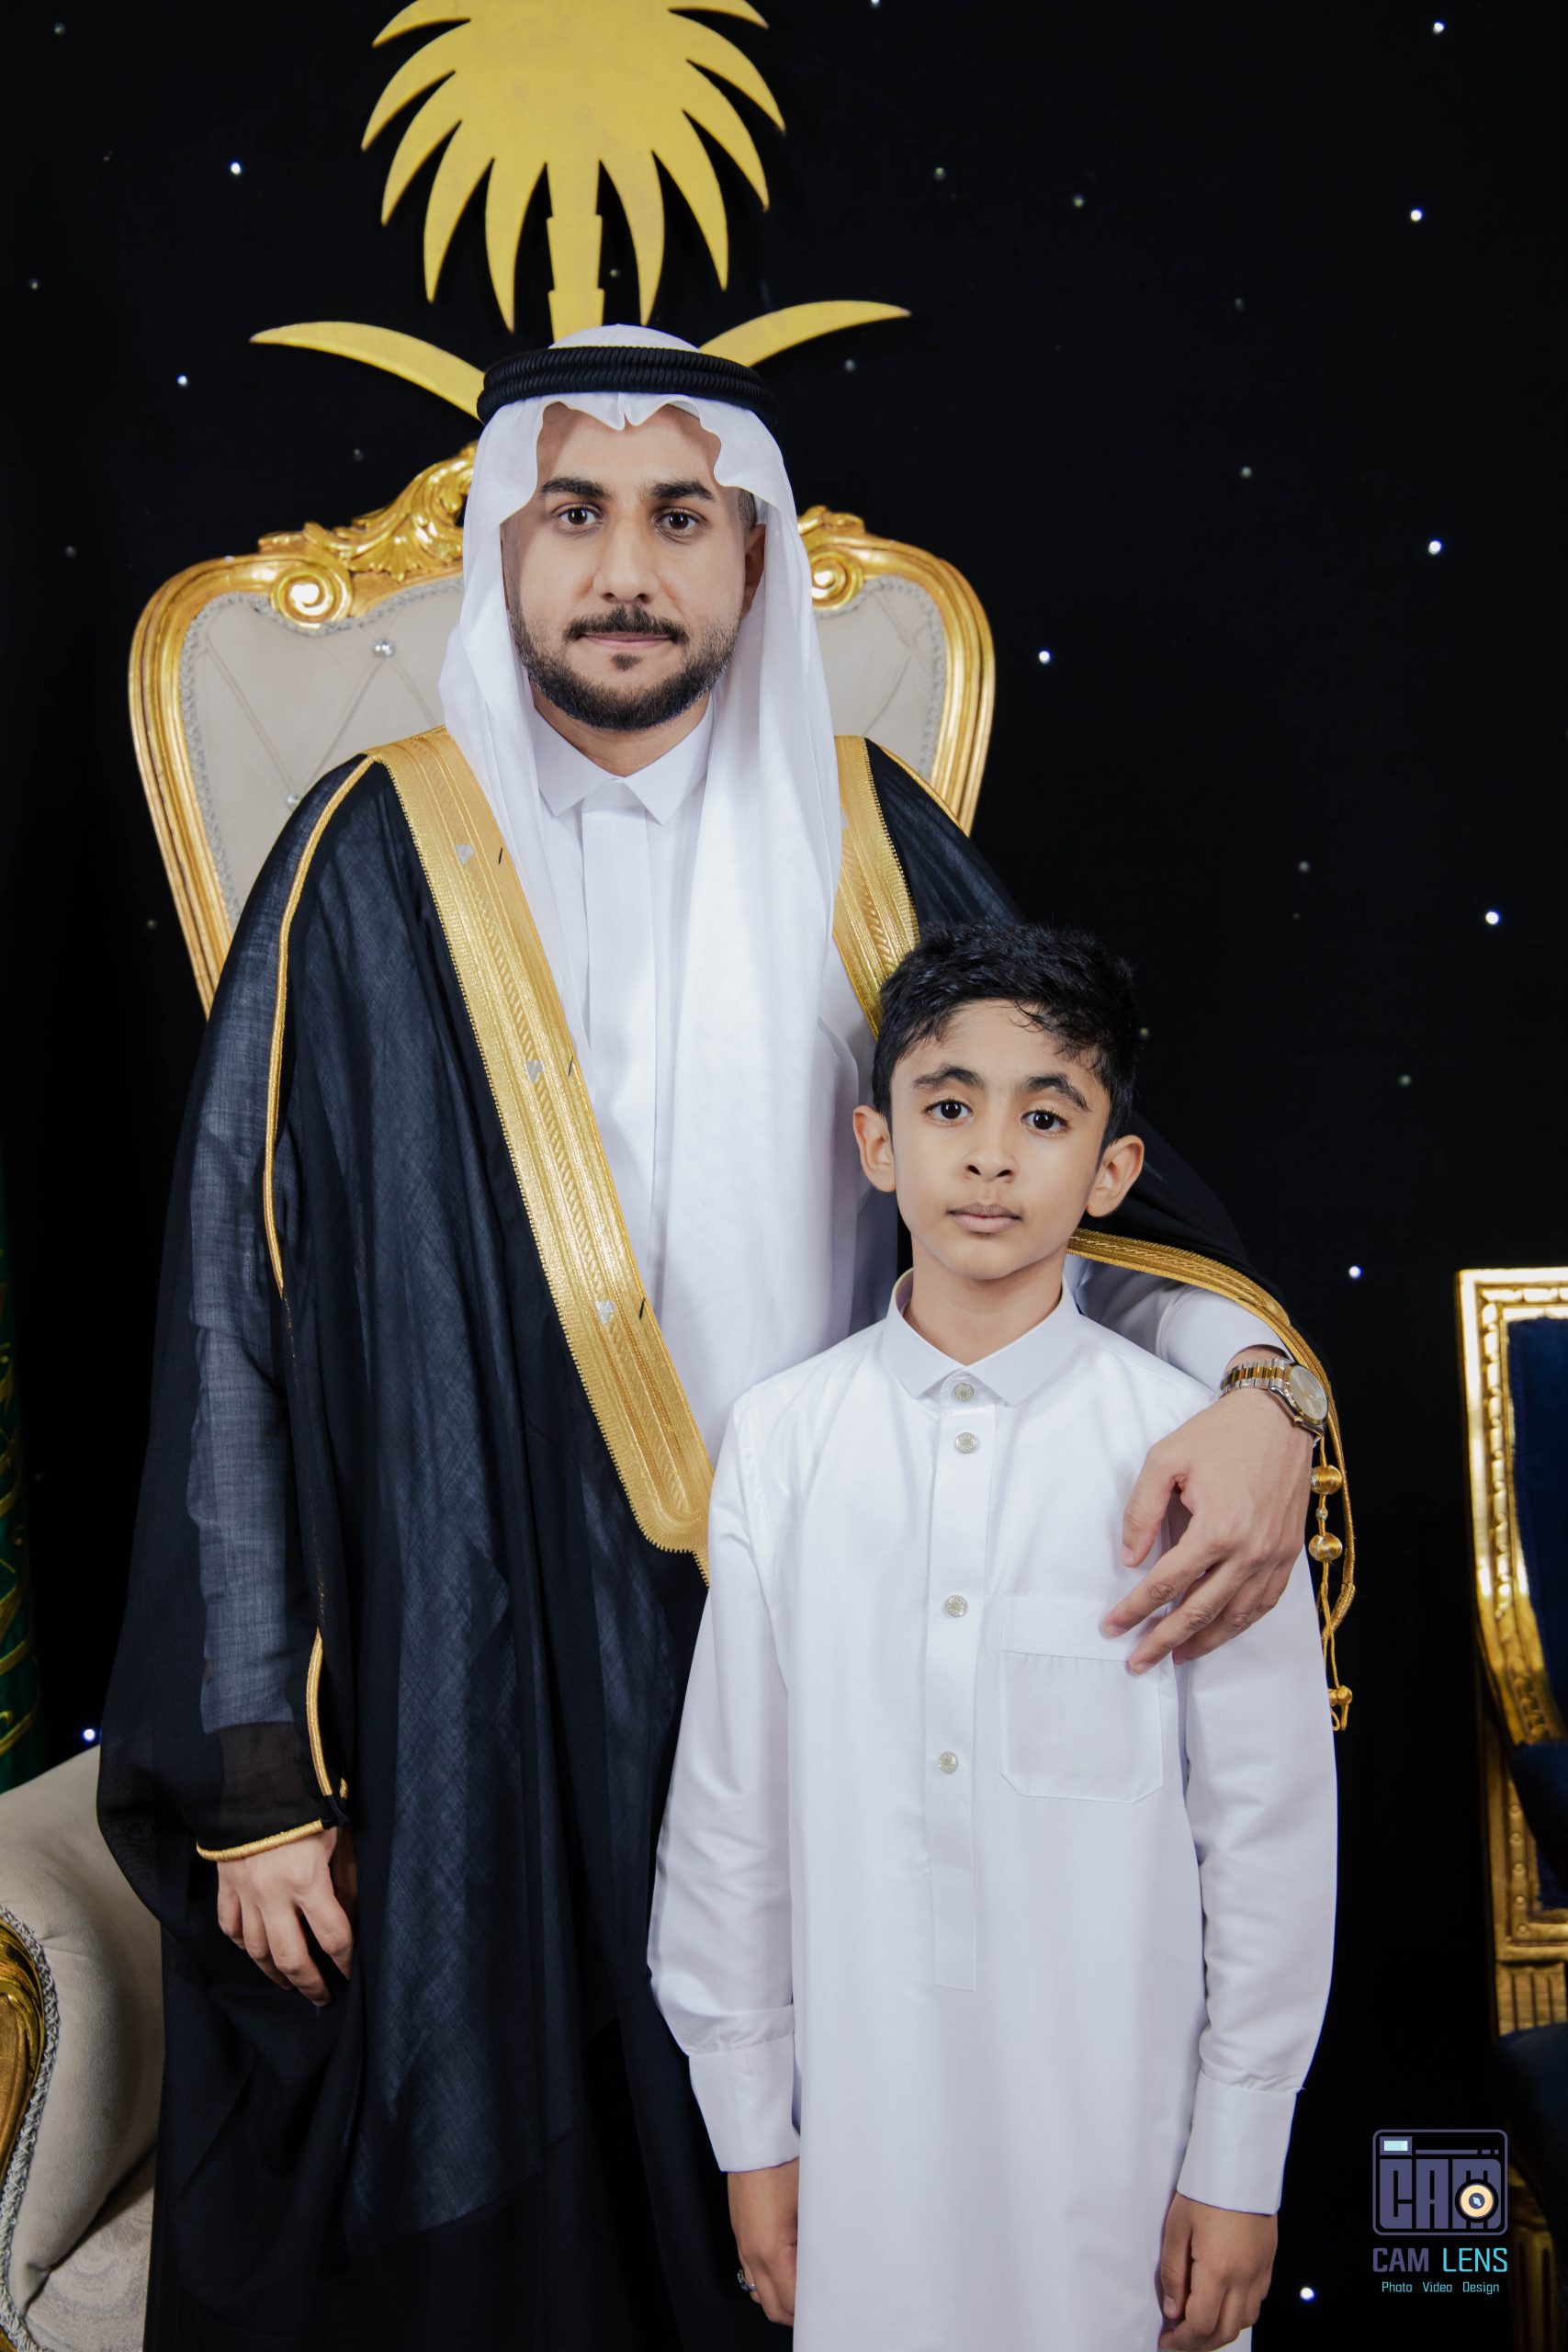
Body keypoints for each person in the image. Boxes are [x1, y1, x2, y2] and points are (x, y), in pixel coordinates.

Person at [98, 328, 1337, 2351]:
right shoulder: (363, 849)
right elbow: (238, 1310)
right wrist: (253, 1778)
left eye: (680, 518)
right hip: (475, 1664)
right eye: (573, 515)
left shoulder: (865, 834)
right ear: (501, 548)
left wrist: (1268, 1396)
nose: (623, 569)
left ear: (752, 556)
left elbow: (1092, 1201)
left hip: (851, 1636)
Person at [649, 919, 1338, 2351]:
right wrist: (750, 2131)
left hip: (1126, 2152)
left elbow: (1268, 1833)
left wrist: (1241, 2157)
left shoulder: (1189, 1459)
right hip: (863, 2145)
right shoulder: (784, 1442)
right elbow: (729, 1821)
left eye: (1046, 1117)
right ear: (877, 1143)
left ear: (1113, 1172)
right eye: (950, 1106)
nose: (990, 1158)